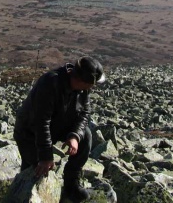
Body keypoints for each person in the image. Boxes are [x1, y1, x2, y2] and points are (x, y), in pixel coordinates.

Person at [13, 56, 106, 202]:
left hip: (57, 126)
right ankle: (19, 194)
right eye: (91, 85)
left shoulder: (83, 90)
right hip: (29, 132)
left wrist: (75, 136)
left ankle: (71, 185)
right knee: (35, 169)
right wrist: (45, 157)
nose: (92, 88)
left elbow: (84, 114)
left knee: (85, 136)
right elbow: (41, 121)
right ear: (83, 81)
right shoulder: (50, 83)